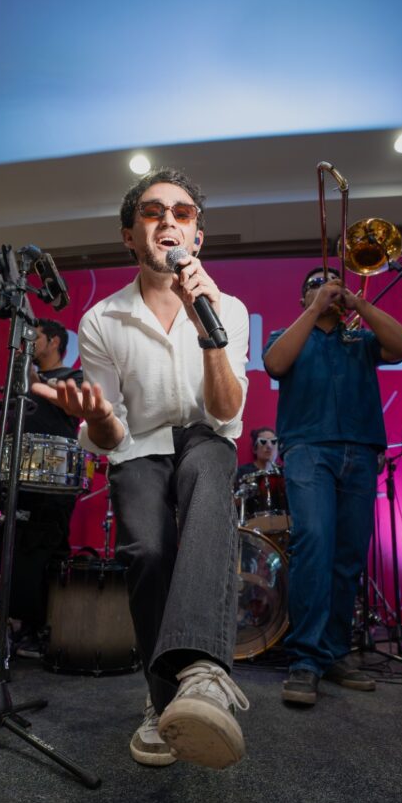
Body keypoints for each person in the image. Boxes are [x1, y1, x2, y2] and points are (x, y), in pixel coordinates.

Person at [33, 167, 250, 769]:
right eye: (153, 212)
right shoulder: (102, 320)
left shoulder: (228, 309)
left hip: (205, 435)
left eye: (182, 213)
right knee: (148, 551)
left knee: (210, 469)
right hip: (140, 445)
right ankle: (163, 700)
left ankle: (202, 673)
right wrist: (99, 417)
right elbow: (111, 435)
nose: (168, 222)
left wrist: (207, 328)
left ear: (197, 237)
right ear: (130, 235)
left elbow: (226, 411)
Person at [263, 266, 402, 706]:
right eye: (315, 284)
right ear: (302, 298)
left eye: (333, 282)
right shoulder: (285, 335)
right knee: (313, 542)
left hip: (361, 451)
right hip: (309, 449)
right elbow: (274, 364)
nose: (327, 287)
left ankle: (333, 652)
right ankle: (305, 659)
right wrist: (315, 308)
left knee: (348, 557)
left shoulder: (359, 339)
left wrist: (360, 304)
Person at [9, 319, 83, 657]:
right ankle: (19, 623)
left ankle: (43, 626)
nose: (29, 341)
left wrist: (33, 378)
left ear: (54, 341)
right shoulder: (23, 380)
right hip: (18, 475)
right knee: (16, 546)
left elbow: (73, 406)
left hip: (54, 478)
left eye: (35, 337)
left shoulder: (73, 377)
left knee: (46, 547)